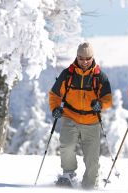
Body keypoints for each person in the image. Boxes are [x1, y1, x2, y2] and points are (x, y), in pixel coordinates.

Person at [48, 42, 113, 189]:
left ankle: (91, 182)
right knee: (67, 145)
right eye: (81, 58)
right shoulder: (68, 74)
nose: (84, 62)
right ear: (76, 57)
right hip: (70, 116)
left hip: (91, 121)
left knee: (92, 158)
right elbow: (54, 95)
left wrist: (100, 105)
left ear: (92, 57)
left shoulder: (100, 77)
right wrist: (55, 108)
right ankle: (69, 174)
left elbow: (108, 98)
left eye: (87, 58)